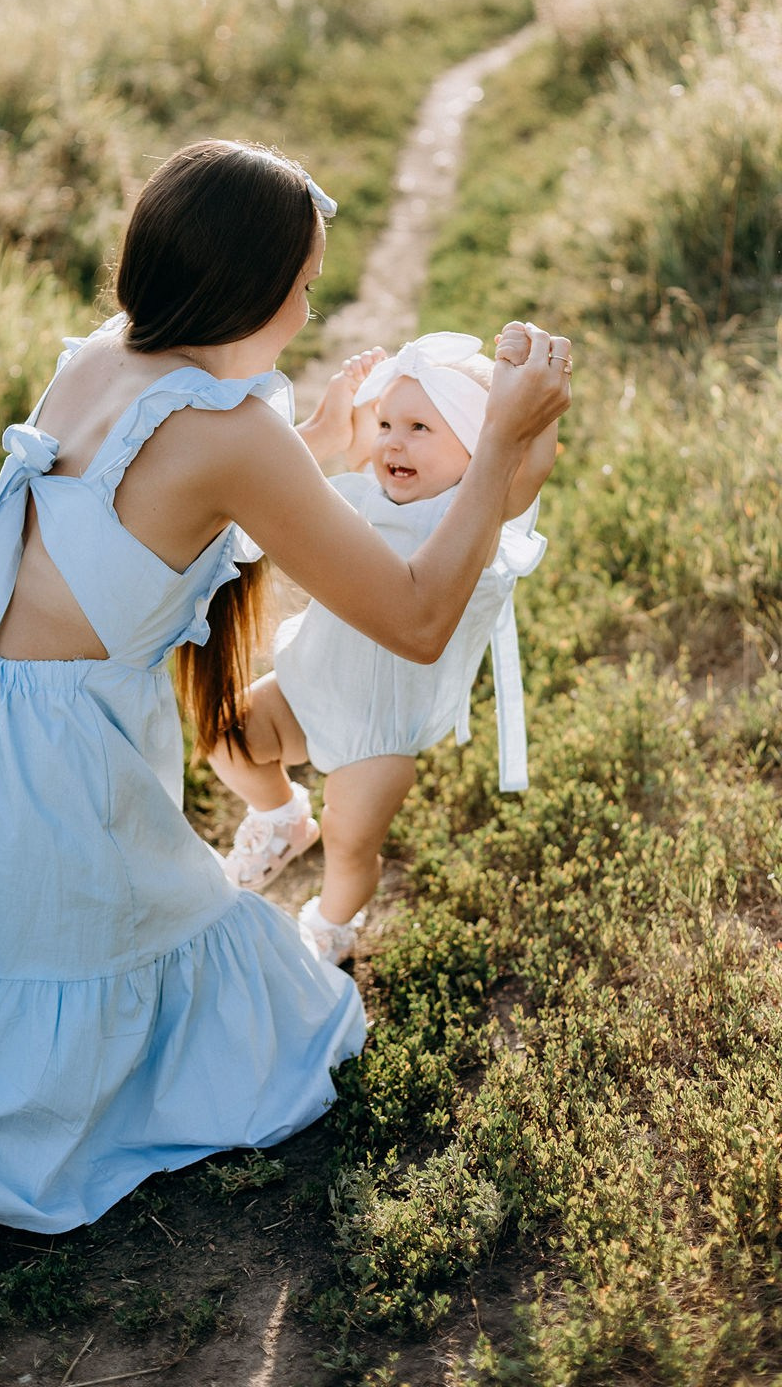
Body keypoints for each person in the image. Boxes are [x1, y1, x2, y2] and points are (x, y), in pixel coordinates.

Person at [0, 139, 571, 1234]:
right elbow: (414, 619)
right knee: (281, 1028)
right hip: (47, 784)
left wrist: (304, 451)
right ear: (254, 288)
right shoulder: (232, 433)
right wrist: (499, 444)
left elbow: (135, 535)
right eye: (307, 288)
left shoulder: (101, 356)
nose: (310, 314)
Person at [211, 330, 559, 964]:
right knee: (225, 734)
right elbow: (285, 489)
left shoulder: (476, 520)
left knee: (350, 845)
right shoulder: (362, 494)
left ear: (482, 449)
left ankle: (330, 924)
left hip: (379, 732)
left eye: (422, 427)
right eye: (387, 423)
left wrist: (527, 387)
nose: (394, 441)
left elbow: (530, 465)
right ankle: (282, 816)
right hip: (307, 684)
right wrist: (341, 411)